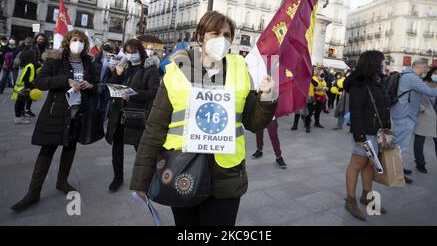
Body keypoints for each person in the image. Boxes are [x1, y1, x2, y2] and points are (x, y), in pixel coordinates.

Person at [130, 11, 277, 226]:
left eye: (227, 35)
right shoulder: (174, 71)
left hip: (226, 174)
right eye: (215, 33)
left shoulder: (240, 69)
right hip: (181, 168)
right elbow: (155, 127)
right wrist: (141, 179)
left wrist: (267, 96)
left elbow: (254, 123)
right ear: (200, 37)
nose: (222, 39)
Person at [11, 30, 102, 211]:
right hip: (57, 112)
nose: (78, 43)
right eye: (75, 40)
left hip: (78, 114)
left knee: (70, 149)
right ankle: (33, 192)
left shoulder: (88, 64)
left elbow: (97, 86)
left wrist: (91, 86)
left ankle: (62, 182)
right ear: (68, 42)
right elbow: (41, 82)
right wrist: (66, 81)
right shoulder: (55, 61)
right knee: (47, 151)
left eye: (81, 41)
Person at [105, 38, 160, 193]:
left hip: (136, 116)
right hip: (118, 114)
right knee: (117, 148)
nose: (130, 55)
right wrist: (117, 74)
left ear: (140, 52)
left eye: (133, 52)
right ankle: (118, 177)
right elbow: (110, 87)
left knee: (141, 150)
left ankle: (146, 179)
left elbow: (154, 92)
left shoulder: (150, 69)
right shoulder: (124, 66)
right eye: (127, 52)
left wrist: (132, 95)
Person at [343, 50, 391, 221]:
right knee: (356, 164)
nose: (385, 65)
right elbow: (356, 112)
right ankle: (350, 200)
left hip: (376, 133)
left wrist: (387, 129)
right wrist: (360, 138)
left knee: (370, 165)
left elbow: (384, 107)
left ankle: (367, 196)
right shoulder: (359, 84)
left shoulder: (378, 81)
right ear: (373, 63)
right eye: (382, 62)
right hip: (365, 133)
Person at [391, 59, 437, 184]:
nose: (426, 71)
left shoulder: (407, 76)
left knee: (400, 145)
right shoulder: (412, 78)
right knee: (400, 146)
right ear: (421, 67)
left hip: (403, 114)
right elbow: (431, 93)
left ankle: (398, 168)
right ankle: (396, 173)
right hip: (405, 115)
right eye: (426, 68)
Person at [413, 66, 437, 176]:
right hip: (424, 118)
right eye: (435, 72)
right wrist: (424, 110)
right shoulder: (423, 84)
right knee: (419, 142)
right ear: (431, 73)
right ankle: (420, 163)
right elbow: (416, 100)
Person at [11, 49, 36, 124]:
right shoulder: (30, 66)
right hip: (23, 88)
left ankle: (19, 117)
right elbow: (26, 78)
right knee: (20, 103)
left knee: (19, 103)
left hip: (19, 88)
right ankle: (18, 119)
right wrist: (28, 88)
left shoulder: (24, 65)